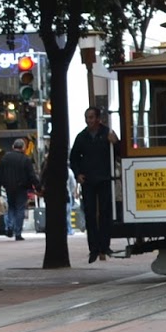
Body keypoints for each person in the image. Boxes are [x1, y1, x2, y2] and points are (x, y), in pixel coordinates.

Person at [69, 105, 119, 262]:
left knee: (105, 213)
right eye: (87, 118)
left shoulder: (107, 133)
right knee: (90, 213)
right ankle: (93, 248)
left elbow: (119, 153)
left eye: (91, 117)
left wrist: (116, 143)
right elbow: (74, 157)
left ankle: (105, 245)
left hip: (104, 178)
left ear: (98, 119)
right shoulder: (81, 137)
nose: (88, 121)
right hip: (88, 180)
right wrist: (78, 174)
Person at [0, 138, 40, 240]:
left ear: (13, 146)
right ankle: (18, 232)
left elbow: (0, 174)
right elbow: (31, 175)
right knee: (20, 209)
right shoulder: (26, 159)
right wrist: (38, 186)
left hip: (9, 187)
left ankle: (10, 226)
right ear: (23, 148)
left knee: (11, 207)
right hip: (22, 188)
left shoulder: (5, 158)